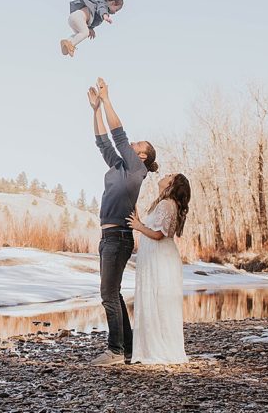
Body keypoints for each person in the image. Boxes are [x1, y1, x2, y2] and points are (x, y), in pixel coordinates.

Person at [87, 77, 158, 366]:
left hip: (118, 237)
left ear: (142, 155)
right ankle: (127, 350)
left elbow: (118, 134)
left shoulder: (137, 168)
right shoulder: (119, 166)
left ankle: (115, 351)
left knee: (107, 294)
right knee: (112, 293)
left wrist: (107, 100)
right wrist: (95, 110)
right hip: (109, 237)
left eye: (138, 144)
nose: (132, 142)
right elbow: (103, 141)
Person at [127, 173, 191, 365]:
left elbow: (158, 234)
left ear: (171, 184)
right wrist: (137, 217)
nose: (165, 175)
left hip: (160, 256)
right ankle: (152, 347)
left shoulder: (166, 204)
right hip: (157, 255)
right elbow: (151, 227)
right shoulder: (164, 204)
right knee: (155, 300)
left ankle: (158, 350)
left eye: (170, 175)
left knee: (158, 301)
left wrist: (138, 227)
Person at [60, 0, 124, 57]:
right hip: (79, 17)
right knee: (85, 33)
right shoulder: (103, 5)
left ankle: (67, 42)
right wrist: (105, 16)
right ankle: (71, 44)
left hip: (73, 17)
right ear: (112, 3)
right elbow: (102, 9)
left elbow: (92, 17)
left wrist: (90, 28)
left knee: (79, 34)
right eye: (116, 10)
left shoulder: (97, 5)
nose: (115, 12)